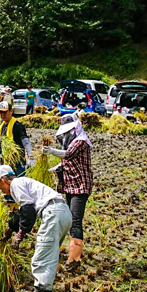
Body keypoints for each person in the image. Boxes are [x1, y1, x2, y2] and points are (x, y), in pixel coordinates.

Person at [0, 165, 72, 292]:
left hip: (53, 214)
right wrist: (7, 235)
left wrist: (20, 235)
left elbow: (28, 210)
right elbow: (20, 214)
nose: (1, 190)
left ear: (2, 180)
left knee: (42, 260)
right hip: (63, 213)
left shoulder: (16, 184)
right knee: (48, 256)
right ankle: (40, 291)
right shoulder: (24, 183)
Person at [42, 114, 93, 273]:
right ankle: (72, 253)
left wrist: (51, 151)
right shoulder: (73, 141)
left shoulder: (81, 141)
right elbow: (66, 162)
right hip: (70, 186)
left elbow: (68, 154)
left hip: (81, 186)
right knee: (70, 220)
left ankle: (75, 259)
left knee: (76, 220)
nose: (67, 135)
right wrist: (52, 169)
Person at [0, 101, 33, 174]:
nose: (2, 115)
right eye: (1, 112)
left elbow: (26, 142)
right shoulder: (2, 125)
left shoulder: (18, 126)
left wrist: (30, 157)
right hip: (6, 160)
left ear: (11, 111)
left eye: (5, 112)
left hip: (18, 161)